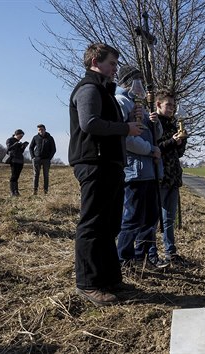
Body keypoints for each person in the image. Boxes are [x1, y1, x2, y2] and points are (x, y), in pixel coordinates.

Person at [69, 43, 143, 306]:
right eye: (112, 63)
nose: (115, 69)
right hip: (94, 162)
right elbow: (90, 123)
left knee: (110, 224)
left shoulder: (104, 90)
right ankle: (88, 283)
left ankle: (110, 278)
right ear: (95, 61)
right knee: (93, 224)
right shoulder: (89, 88)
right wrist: (125, 129)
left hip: (109, 164)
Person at [114, 65, 166, 269]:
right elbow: (125, 138)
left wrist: (156, 122)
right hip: (134, 171)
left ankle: (141, 256)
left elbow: (156, 135)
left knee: (150, 217)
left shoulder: (140, 105)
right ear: (128, 82)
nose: (141, 87)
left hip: (149, 171)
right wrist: (149, 149)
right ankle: (124, 259)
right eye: (138, 82)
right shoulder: (122, 102)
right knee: (132, 217)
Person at [149, 90, 189, 266]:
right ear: (158, 104)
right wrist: (173, 141)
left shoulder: (173, 125)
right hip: (159, 177)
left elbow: (177, 153)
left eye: (173, 105)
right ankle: (150, 254)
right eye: (168, 105)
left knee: (169, 219)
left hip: (173, 177)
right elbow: (154, 148)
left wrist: (182, 141)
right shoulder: (153, 123)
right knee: (153, 219)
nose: (172, 108)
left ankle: (170, 253)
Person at [29, 124, 56, 195]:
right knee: (36, 175)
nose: (40, 131)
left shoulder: (50, 138)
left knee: (46, 175)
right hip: (37, 159)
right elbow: (31, 147)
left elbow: (53, 149)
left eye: (42, 129)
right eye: (39, 130)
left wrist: (49, 158)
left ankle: (46, 192)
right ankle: (35, 191)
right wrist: (33, 157)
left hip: (46, 160)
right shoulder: (35, 137)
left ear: (45, 129)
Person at [6, 129, 28, 196]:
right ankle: (12, 192)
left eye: (22, 136)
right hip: (13, 160)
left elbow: (20, 152)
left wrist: (23, 147)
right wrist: (15, 144)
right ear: (16, 134)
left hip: (20, 160)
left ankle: (16, 192)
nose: (21, 137)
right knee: (14, 176)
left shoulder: (19, 142)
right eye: (20, 136)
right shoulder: (10, 140)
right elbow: (9, 148)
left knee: (17, 177)